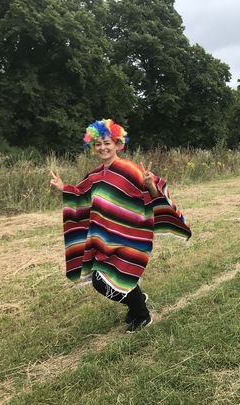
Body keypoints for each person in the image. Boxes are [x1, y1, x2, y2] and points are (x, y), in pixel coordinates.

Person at [50, 119, 191, 333]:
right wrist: (64, 188)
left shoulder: (130, 169)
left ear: (118, 143)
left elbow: (154, 196)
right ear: (92, 146)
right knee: (111, 278)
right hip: (103, 237)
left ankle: (142, 314)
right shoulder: (95, 175)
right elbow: (81, 195)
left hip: (129, 235)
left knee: (102, 281)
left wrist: (151, 184)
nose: (103, 147)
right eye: (98, 144)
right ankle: (137, 302)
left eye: (107, 142)